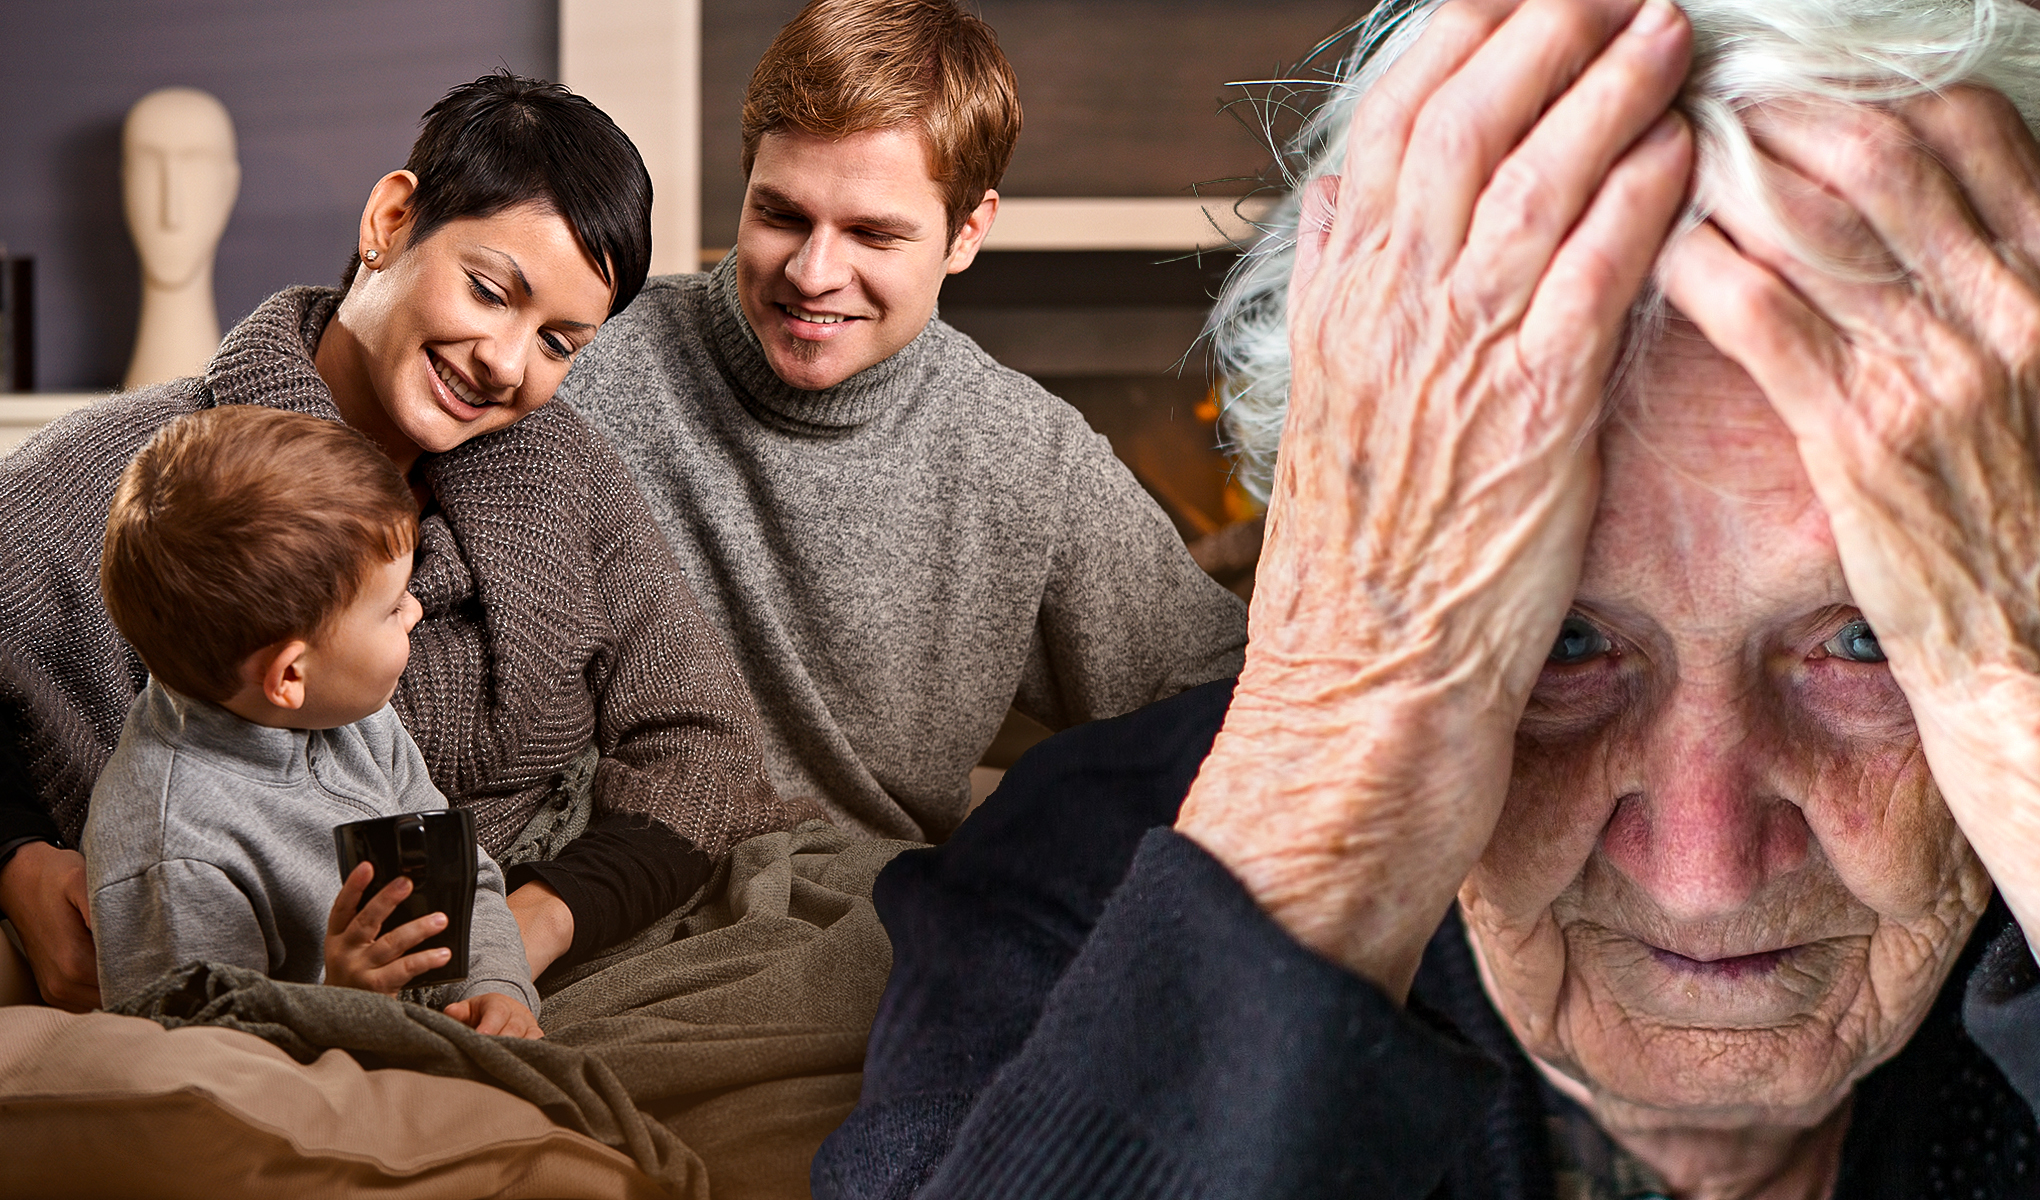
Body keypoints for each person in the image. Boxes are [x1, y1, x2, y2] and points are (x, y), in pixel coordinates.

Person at [816, 0, 2040, 1197]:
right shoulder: (1086, 895)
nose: (1706, 872)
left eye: (1873, 634)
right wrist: (1338, 755)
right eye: (1555, 641)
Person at [0, 72, 794, 1014]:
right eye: (491, 290)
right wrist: (12, 857)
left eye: (559, 343)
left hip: (514, 953)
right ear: (389, 220)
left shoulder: (564, 475)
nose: (505, 360)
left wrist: (530, 928)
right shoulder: (130, 474)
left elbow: (706, 744)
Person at [559, 0, 1248, 844]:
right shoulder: (583, 364)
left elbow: (1233, 706)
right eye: (780, 215)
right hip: (593, 898)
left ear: (967, 233)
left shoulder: (1025, 455)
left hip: (879, 918)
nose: (814, 273)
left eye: (873, 234)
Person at [81, 406, 539, 1039]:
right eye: (390, 607)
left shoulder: (356, 719)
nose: (416, 610)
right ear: (289, 677)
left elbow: (465, 888)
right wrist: (342, 998)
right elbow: (203, 1074)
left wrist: (498, 988)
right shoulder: (178, 857)